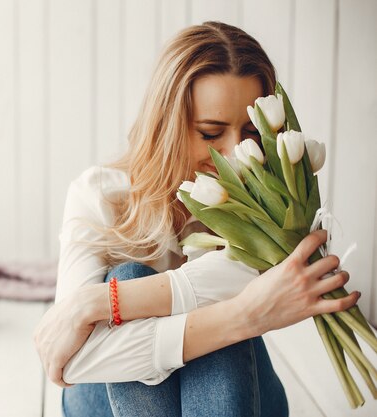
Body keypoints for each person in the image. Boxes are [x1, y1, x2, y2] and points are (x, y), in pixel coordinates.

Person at [33, 21, 359, 417]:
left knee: (207, 313)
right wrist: (244, 313)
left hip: (237, 396)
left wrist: (96, 303)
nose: (236, 153)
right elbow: (76, 362)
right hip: (103, 403)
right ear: (166, 128)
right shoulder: (100, 195)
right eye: (210, 133)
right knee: (132, 275)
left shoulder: (273, 208)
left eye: (251, 134)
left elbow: (252, 286)